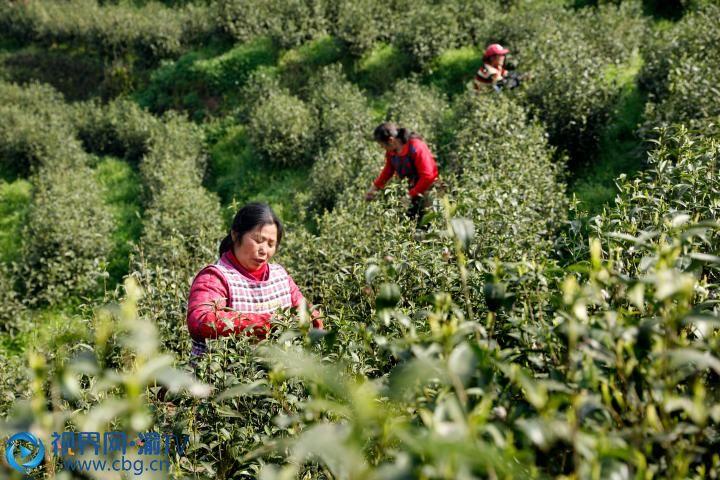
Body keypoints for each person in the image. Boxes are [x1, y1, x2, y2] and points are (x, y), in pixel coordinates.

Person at [186, 202, 322, 359]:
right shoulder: (214, 278)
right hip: (223, 379)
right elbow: (200, 321)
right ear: (235, 235)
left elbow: (303, 307)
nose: (264, 250)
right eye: (258, 240)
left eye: (271, 244)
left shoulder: (280, 276)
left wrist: (313, 317)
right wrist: (267, 322)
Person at [365, 122, 439, 228]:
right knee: (409, 224)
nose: (382, 148)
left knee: (427, 225)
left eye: (382, 145)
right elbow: (388, 171)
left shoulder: (415, 147)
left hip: (429, 189)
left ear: (391, 140)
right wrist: (374, 188)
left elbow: (428, 176)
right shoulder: (392, 152)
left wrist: (409, 196)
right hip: (413, 189)